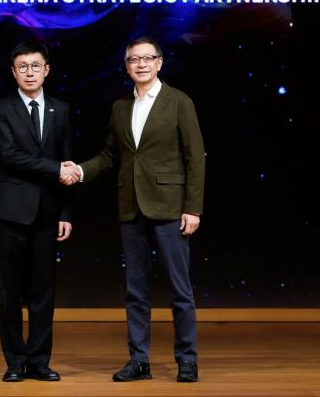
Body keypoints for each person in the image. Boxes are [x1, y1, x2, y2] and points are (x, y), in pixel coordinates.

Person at [62, 37, 205, 383]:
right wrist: (79, 170)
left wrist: (193, 208)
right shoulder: (120, 107)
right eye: (134, 59)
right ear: (126, 67)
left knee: (180, 289)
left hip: (170, 208)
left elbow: (195, 158)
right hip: (131, 208)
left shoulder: (179, 101)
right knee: (135, 290)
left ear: (159, 63)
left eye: (147, 58)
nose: (141, 64)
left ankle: (187, 359)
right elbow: (110, 155)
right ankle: (139, 360)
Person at [0, 40, 76, 382]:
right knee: (11, 291)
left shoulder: (61, 110)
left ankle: (39, 362)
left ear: (47, 70)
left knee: (43, 292)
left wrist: (66, 212)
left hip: (48, 213)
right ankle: (15, 361)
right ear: (13, 72)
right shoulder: (1, 108)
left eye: (35, 66)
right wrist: (55, 168)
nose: (30, 72)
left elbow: (68, 161)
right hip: (11, 212)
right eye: (22, 67)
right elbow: (9, 155)